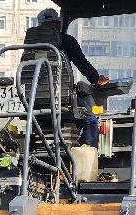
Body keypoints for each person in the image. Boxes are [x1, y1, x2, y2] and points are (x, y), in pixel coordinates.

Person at [24, 8, 109, 144]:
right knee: (91, 119)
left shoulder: (29, 46)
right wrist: (96, 79)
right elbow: (82, 64)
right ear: (57, 24)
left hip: (33, 101)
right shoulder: (66, 41)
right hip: (61, 99)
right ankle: (89, 156)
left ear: (39, 26)